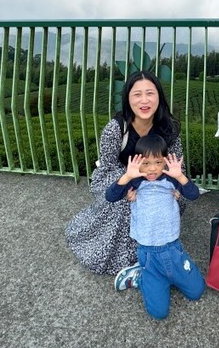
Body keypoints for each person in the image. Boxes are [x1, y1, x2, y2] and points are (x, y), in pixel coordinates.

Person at [65, 70, 183, 275]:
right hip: (120, 175)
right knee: (127, 202)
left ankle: (157, 248)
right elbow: (107, 167)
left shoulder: (168, 128)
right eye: (137, 94)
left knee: (168, 198)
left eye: (150, 93)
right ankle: (128, 258)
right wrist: (130, 181)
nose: (144, 100)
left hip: (156, 178)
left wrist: (174, 188)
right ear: (128, 98)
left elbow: (176, 165)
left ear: (159, 97)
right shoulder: (116, 129)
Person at [106, 135, 205, 320]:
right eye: (146, 163)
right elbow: (110, 196)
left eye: (158, 162)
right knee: (158, 313)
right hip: (148, 253)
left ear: (165, 162)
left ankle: (172, 277)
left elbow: (193, 194)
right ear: (137, 163)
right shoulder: (134, 182)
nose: (152, 168)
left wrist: (180, 176)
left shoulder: (171, 179)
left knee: (197, 292)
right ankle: (141, 276)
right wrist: (127, 176)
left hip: (173, 249)